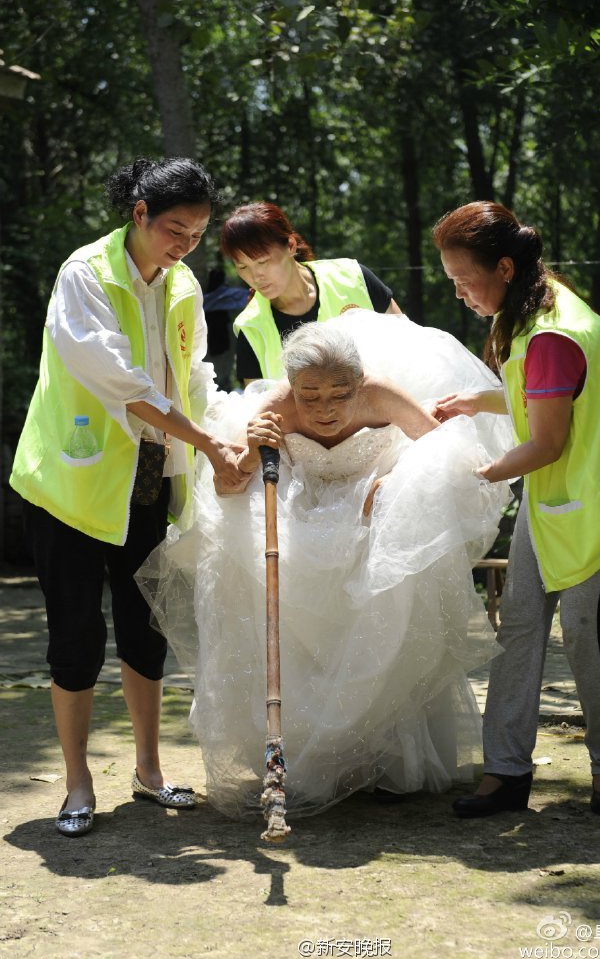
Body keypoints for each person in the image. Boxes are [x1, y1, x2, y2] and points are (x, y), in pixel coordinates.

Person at [136, 311, 514, 817]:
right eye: (309, 396)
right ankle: (304, 756)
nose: (325, 408)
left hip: (376, 511)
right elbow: (230, 483)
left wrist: (393, 485)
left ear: (359, 383)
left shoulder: (381, 394)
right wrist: (255, 449)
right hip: (302, 512)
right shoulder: (278, 407)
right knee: (274, 582)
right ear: (292, 387)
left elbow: (443, 453)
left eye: (340, 394)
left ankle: (382, 755)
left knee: (388, 595)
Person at [10, 157, 248, 838]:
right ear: (139, 212)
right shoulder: (83, 273)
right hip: (72, 483)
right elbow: (124, 384)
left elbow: (194, 373)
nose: (184, 244)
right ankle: (78, 782)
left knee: (147, 629)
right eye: (176, 228)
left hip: (149, 478)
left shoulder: (182, 285)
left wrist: (226, 436)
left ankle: (149, 769)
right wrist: (206, 440)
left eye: (198, 234)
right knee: (77, 634)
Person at [431, 201, 600, 818]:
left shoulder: (550, 333)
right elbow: (538, 396)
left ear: (506, 267)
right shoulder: (534, 308)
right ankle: (506, 772)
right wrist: (477, 400)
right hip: (558, 498)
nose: (459, 293)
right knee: (517, 627)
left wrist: (477, 474)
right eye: (451, 281)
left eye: (465, 280)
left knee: (583, 635)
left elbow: (547, 440)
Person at [220, 201, 402, 385]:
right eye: (242, 266)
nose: (255, 276)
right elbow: (258, 403)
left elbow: (408, 344)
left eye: (263, 262)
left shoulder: (353, 277)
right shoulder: (251, 327)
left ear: (290, 245)